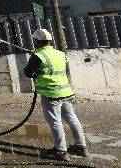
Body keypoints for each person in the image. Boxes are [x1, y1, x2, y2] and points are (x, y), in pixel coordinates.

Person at [24, 29, 88, 162]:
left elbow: (28, 73)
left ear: (36, 41)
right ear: (50, 41)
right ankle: (81, 147)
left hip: (51, 94)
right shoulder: (60, 54)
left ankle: (61, 151)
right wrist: (36, 58)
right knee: (72, 119)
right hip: (66, 92)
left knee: (55, 122)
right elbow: (53, 68)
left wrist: (35, 61)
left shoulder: (38, 56)